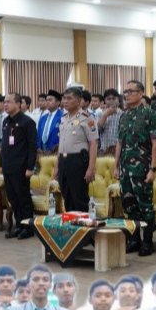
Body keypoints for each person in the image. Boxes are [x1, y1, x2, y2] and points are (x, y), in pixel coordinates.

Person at [113, 80, 156, 256]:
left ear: (141, 93)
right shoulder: (123, 116)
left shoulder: (150, 114)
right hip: (125, 169)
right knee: (129, 206)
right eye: (125, 92)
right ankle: (134, 240)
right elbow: (119, 143)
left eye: (130, 91)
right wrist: (116, 166)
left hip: (142, 169)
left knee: (145, 206)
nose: (126, 95)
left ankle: (148, 242)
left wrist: (153, 169)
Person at [54, 86, 98, 216]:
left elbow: (93, 143)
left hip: (78, 161)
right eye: (64, 98)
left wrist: (91, 168)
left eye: (69, 98)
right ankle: (72, 225)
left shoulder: (87, 118)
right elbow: (61, 143)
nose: (65, 101)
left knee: (79, 198)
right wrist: (57, 166)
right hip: (64, 161)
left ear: (78, 101)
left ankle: (84, 227)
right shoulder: (63, 118)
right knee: (67, 197)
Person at [0, 93, 37, 239]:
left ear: (18, 104)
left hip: (21, 167)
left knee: (23, 198)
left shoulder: (27, 122)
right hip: (8, 166)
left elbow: (32, 147)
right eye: (4, 102)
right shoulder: (6, 121)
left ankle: (27, 227)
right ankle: (19, 225)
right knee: (13, 198)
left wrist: (30, 167)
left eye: (8, 102)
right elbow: (4, 145)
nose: (5, 104)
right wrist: (1, 163)